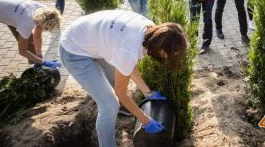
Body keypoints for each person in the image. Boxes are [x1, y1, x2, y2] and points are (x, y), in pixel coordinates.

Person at [59, 9, 187, 147]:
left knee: (115, 84)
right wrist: (145, 120)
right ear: (161, 47)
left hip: (90, 37)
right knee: (109, 105)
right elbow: (122, 90)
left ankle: (120, 109)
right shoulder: (128, 49)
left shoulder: (150, 31)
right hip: (73, 50)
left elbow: (129, 64)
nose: (169, 58)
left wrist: (147, 92)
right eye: (170, 53)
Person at [0, 0, 62, 84]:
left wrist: (39, 55)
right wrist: (44, 62)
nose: (45, 30)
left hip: (8, 10)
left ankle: (35, 69)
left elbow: (37, 36)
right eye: (46, 28)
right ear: (41, 22)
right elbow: (22, 51)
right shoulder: (26, 23)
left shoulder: (44, 11)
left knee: (30, 42)